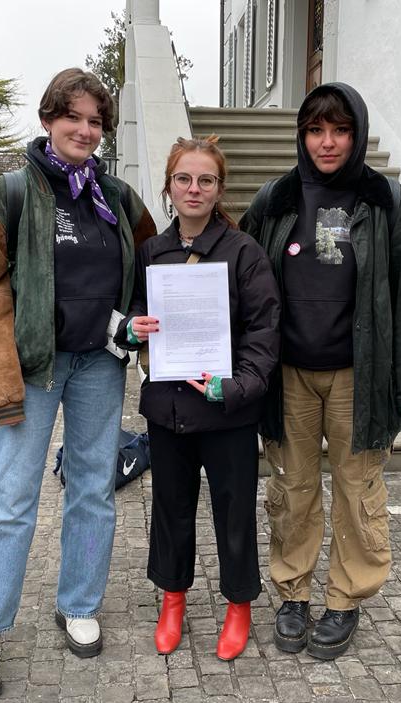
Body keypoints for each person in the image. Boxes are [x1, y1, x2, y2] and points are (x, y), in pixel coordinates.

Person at [0, 68, 156, 701]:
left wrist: (137, 326)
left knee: (94, 488)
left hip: (99, 366)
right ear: (49, 120)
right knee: (6, 494)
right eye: (74, 118)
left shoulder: (116, 197)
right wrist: (0, 385)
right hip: (33, 369)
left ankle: (78, 603)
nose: (85, 130)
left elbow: (150, 267)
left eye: (96, 121)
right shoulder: (6, 195)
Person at [239, 83, 401, 660]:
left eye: (340, 130)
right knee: (293, 489)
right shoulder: (274, 198)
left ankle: (344, 599)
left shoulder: (384, 200)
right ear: (302, 134)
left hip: (359, 376)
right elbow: (238, 274)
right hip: (289, 375)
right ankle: (293, 594)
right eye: (316, 130)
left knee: (357, 491)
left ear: (357, 135)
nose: (328, 142)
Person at [117, 137, 279, 661]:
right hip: (169, 409)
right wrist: (137, 328)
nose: (194, 189)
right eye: (184, 179)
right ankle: (173, 598)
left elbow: (264, 330)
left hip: (227, 409)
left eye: (205, 180)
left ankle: (238, 606)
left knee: (234, 511)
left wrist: (235, 386)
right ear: (168, 188)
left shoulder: (243, 252)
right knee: (170, 507)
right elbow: (137, 311)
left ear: (219, 190)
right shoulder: (152, 252)